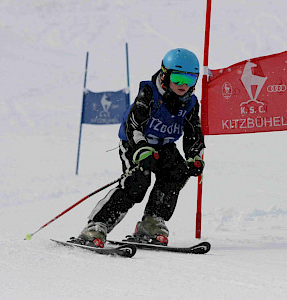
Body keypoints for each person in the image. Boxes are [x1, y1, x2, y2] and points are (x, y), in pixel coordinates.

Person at [77, 48, 205, 247]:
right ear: (165, 75)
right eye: (178, 78)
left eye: (190, 79)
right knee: (137, 184)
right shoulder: (149, 94)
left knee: (177, 173)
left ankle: (152, 222)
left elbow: (193, 132)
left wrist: (194, 156)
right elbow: (134, 124)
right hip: (136, 144)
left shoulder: (190, 103)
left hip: (164, 146)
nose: (183, 85)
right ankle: (97, 225)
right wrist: (142, 149)